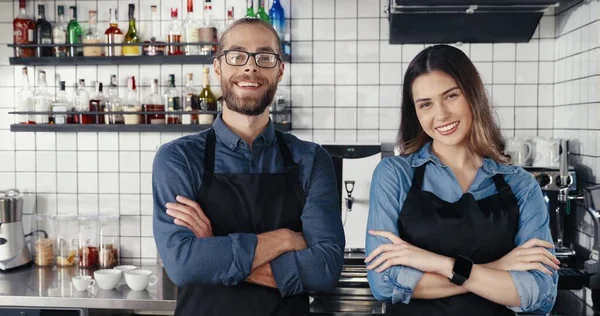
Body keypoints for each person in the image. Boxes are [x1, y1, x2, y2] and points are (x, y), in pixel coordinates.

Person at [152, 18, 345, 316]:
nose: (250, 67)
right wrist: (284, 240)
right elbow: (182, 265)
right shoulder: (178, 159)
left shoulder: (311, 159)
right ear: (218, 67)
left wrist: (214, 251)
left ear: (280, 70)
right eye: (237, 56)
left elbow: (325, 270)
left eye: (264, 57)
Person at [364, 44, 559, 315]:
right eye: (426, 104)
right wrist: (500, 267)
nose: (441, 115)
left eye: (451, 96)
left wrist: (438, 264)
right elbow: (384, 283)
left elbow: (540, 292)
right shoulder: (394, 175)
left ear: (473, 95)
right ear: (416, 113)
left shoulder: (521, 184)